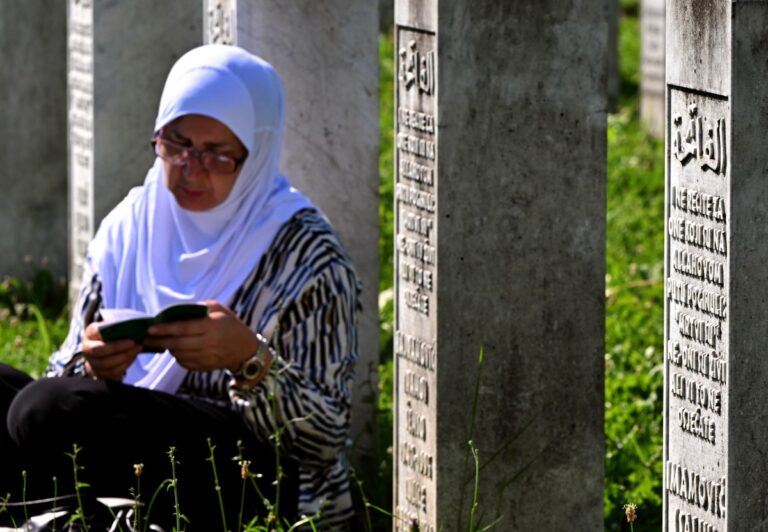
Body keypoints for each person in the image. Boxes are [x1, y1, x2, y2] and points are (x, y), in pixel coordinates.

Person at [0, 44, 360, 530]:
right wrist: (91, 360)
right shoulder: (131, 224)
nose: (190, 169)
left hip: (250, 476)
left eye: (217, 155)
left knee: (46, 412)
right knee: (27, 403)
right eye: (177, 144)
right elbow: (59, 373)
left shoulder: (304, 253)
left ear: (254, 154)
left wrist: (250, 360)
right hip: (125, 446)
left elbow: (326, 435)